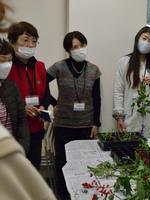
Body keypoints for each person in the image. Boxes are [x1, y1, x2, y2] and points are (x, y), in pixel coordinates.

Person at [47, 31, 101, 199]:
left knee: (84, 163)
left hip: (86, 125)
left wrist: (96, 124)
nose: (79, 50)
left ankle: (82, 194)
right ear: (69, 50)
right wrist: (53, 102)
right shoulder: (59, 67)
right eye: (75, 47)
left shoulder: (94, 69)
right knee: (62, 162)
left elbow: (97, 97)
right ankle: (63, 195)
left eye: (82, 45)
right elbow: (40, 84)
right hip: (63, 124)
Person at [7, 21, 51, 170]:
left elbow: (47, 94)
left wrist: (44, 106)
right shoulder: (6, 67)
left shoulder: (40, 66)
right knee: (16, 174)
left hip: (36, 128)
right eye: (25, 40)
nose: (31, 45)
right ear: (12, 42)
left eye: (34, 41)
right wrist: (21, 108)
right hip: (14, 132)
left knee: (34, 170)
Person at [113, 26, 150, 138]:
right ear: (137, 38)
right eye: (144, 38)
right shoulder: (124, 62)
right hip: (131, 117)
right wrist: (119, 116)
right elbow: (118, 91)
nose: (147, 43)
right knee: (130, 151)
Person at [0, 38, 29, 151]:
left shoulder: (11, 86)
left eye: (10, 60)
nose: (7, 65)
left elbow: (22, 120)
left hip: (11, 151)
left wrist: (21, 148)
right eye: (3, 60)